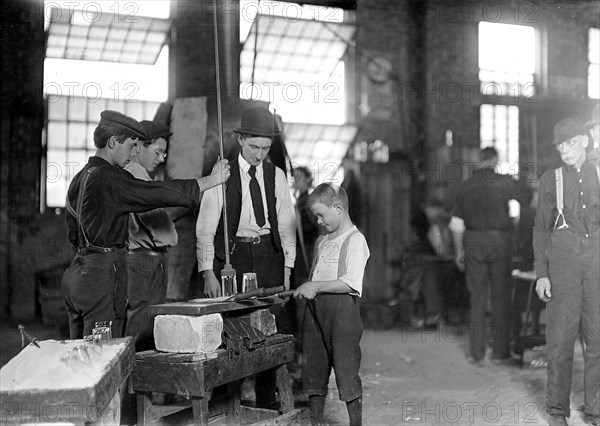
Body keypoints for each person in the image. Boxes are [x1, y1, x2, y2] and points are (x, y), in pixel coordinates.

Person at [62, 110, 230, 339]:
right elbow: (153, 193)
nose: (134, 153)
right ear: (112, 142)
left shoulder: (81, 176)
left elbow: (75, 231)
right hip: (101, 274)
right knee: (103, 354)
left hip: (77, 272)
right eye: (132, 145)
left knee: (79, 353)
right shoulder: (110, 176)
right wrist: (211, 181)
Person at [196, 105, 296, 408]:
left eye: (265, 148)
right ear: (240, 140)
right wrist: (207, 271)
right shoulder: (222, 174)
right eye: (254, 146)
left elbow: (287, 223)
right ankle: (231, 403)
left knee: (269, 329)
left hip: (268, 255)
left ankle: (267, 401)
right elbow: (205, 227)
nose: (259, 154)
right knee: (235, 330)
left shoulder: (275, 175)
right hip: (234, 257)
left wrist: (288, 270)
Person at [533, 118, 600, 426]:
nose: (565, 150)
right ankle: (558, 411)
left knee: (597, 341)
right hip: (562, 260)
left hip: (597, 260)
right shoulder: (551, 179)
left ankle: (595, 409)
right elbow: (541, 231)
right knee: (559, 342)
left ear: (585, 142)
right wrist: (541, 273)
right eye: (560, 145)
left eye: (570, 142)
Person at [293, 183, 370, 426]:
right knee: (314, 369)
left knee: (346, 371)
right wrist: (310, 287)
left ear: (338, 207)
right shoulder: (321, 241)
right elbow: (316, 276)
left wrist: (314, 286)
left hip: (343, 315)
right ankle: (316, 421)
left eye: (320, 214)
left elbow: (351, 282)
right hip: (316, 313)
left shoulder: (356, 240)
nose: (318, 221)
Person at [453, 146, 531, 365]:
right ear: (495, 160)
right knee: (501, 296)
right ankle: (500, 351)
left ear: (479, 161)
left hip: (473, 240)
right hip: (500, 241)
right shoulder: (504, 181)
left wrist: (459, 252)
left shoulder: (465, 186)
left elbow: (456, 224)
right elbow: (529, 197)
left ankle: (477, 353)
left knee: (477, 296)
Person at [123, 120, 176, 352]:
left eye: (164, 153)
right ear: (139, 147)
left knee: (148, 325)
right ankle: (131, 387)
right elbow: (164, 232)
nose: (161, 158)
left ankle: (138, 386)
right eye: (157, 151)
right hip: (143, 260)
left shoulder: (142, 175)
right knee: (141, 327)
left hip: (150, 258)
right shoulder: (134, 173)